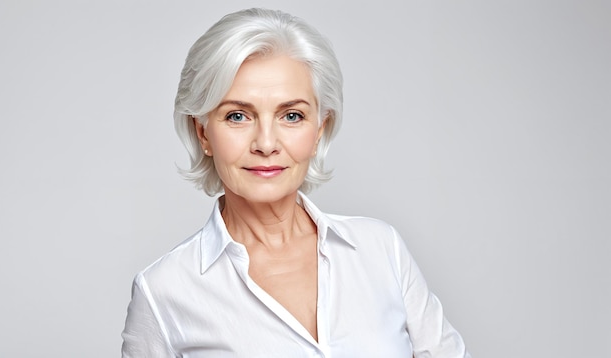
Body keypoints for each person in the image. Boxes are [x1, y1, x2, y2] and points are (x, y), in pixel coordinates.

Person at [122, 8, 471, 357]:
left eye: (292, 116)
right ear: (203, 133)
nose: (266, 143)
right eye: (237, 116)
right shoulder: (163, 292)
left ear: (319, 130)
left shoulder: (382, 250)